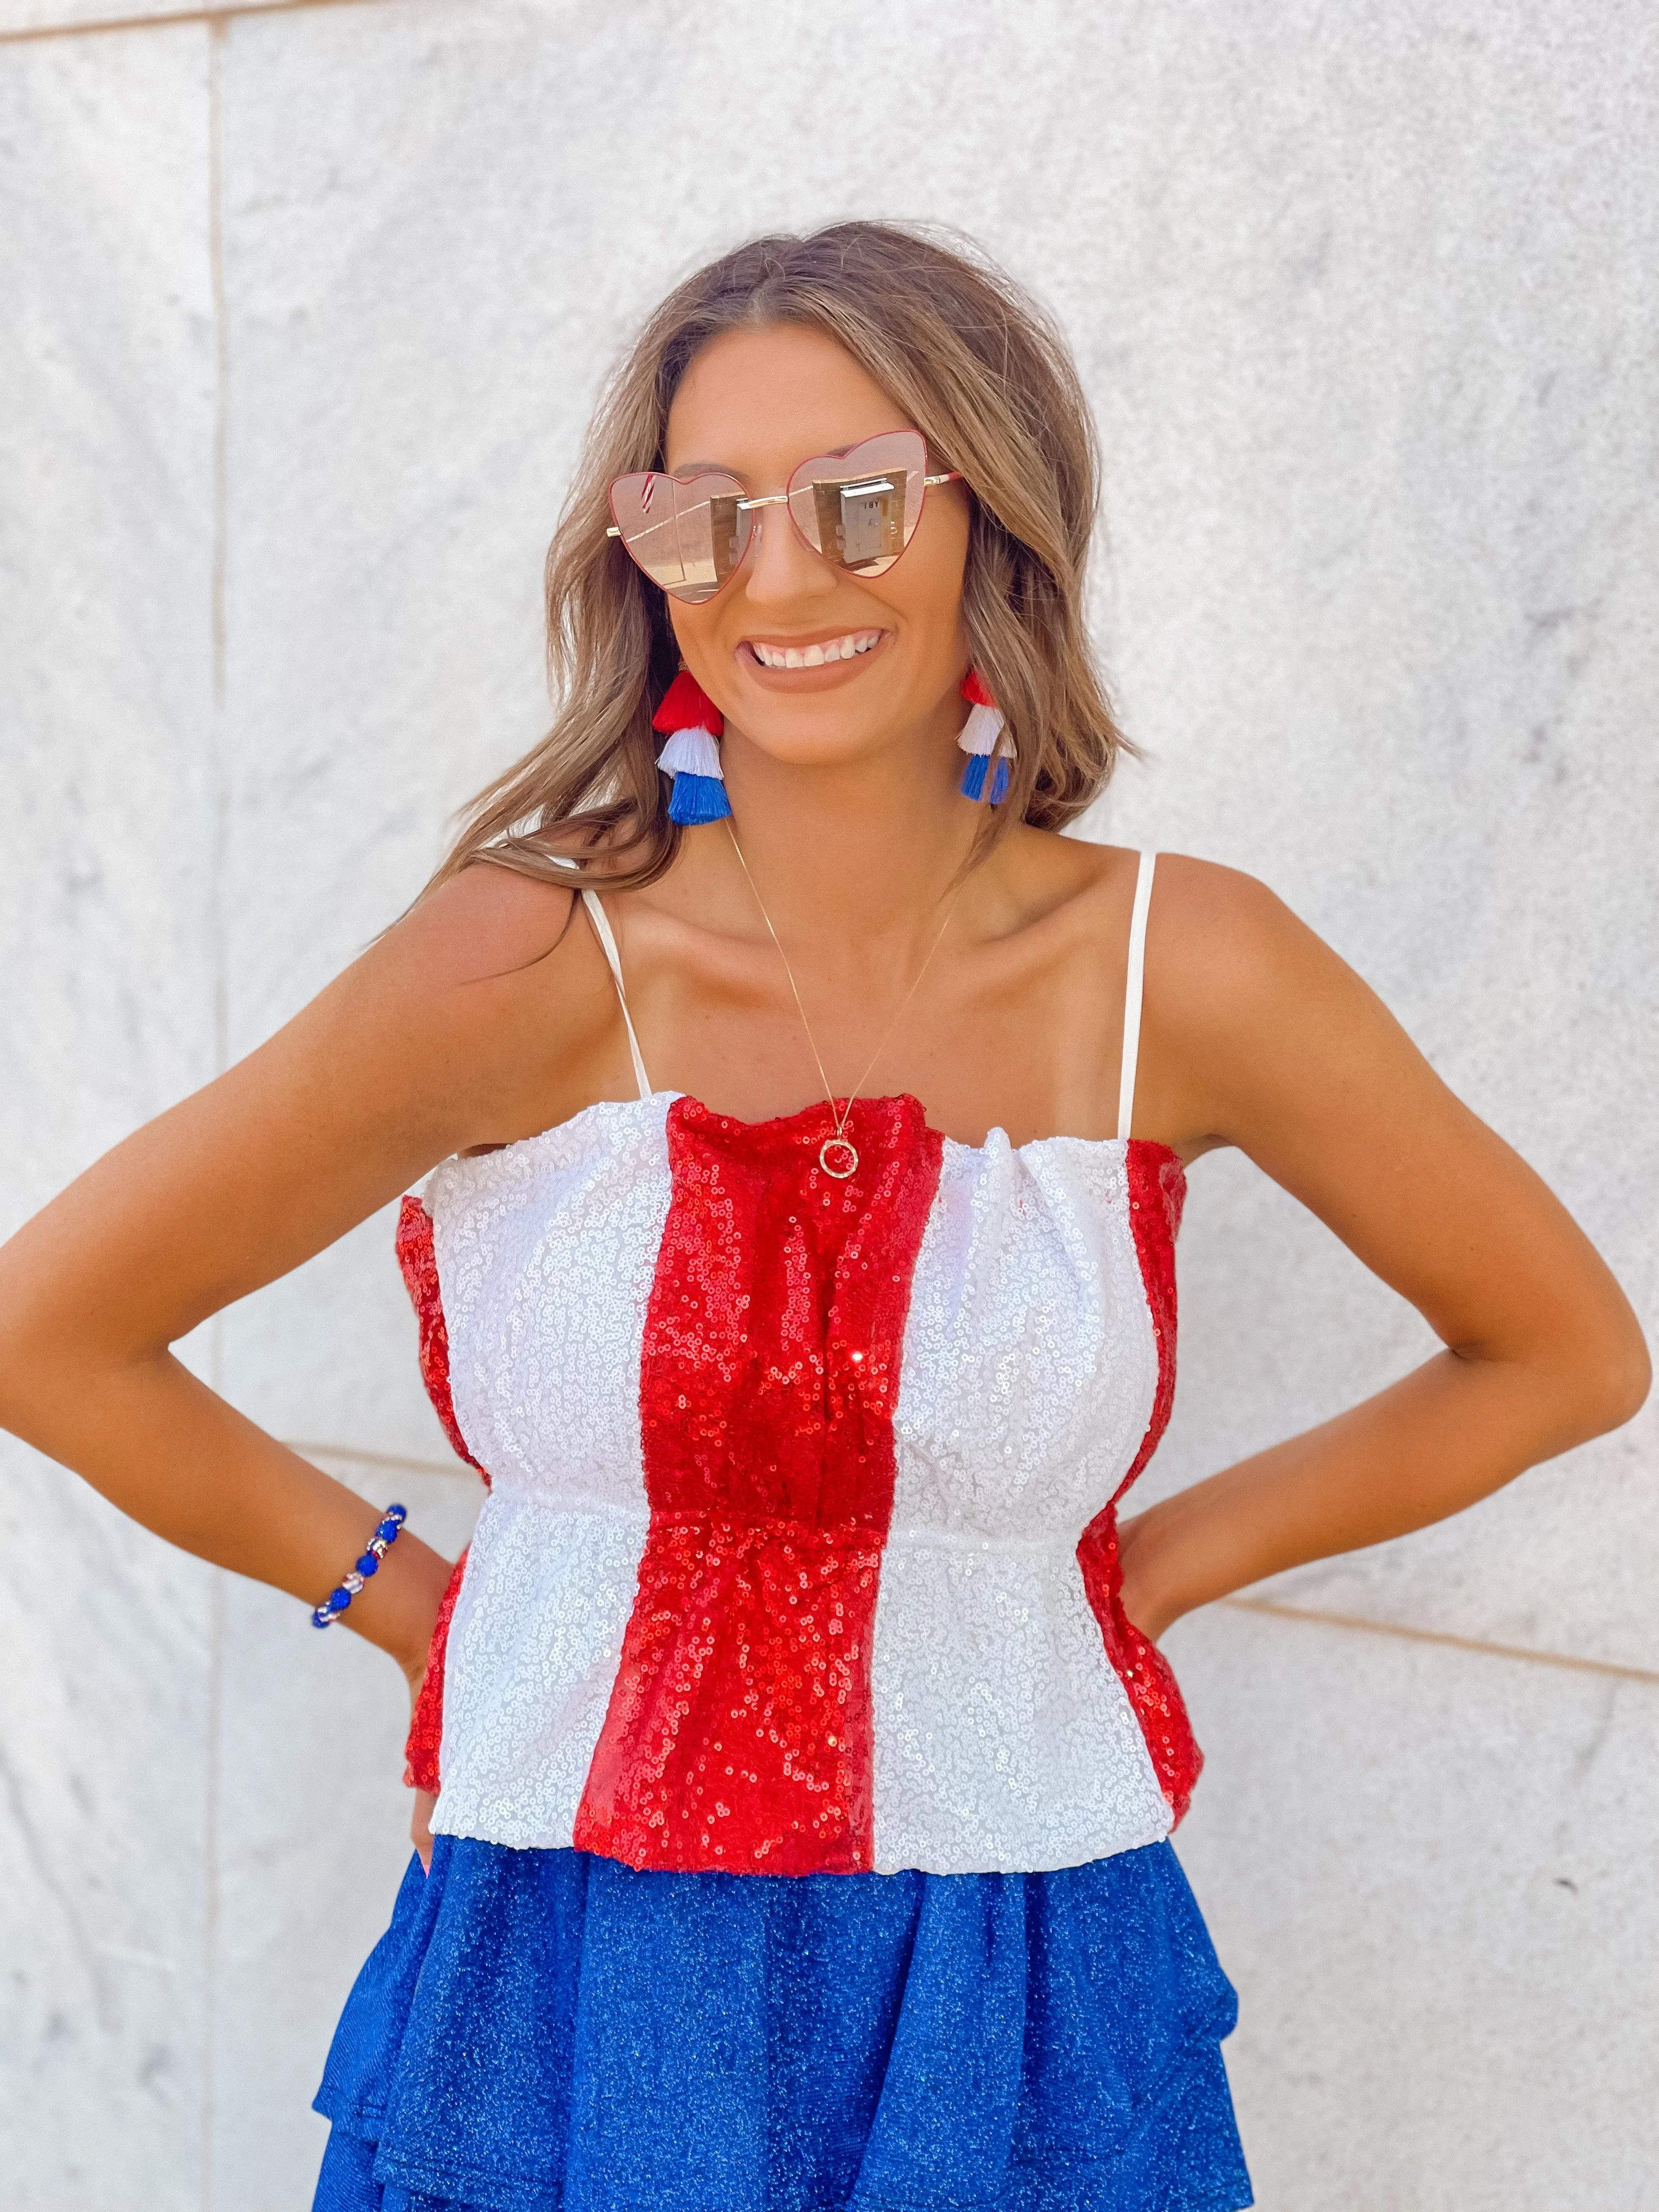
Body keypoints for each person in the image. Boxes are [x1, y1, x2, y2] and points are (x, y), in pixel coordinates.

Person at [0, 221, 1646, 2212]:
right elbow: (51, 1327)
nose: (778, 575)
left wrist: (1151, 1568)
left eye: (861, 498)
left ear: (994, 517)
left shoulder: (1185, 971)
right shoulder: (520, 960)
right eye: (700, 513)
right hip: (578, 1981)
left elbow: (1562, 1352)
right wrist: (428, 1613)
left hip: (1025, 1974)